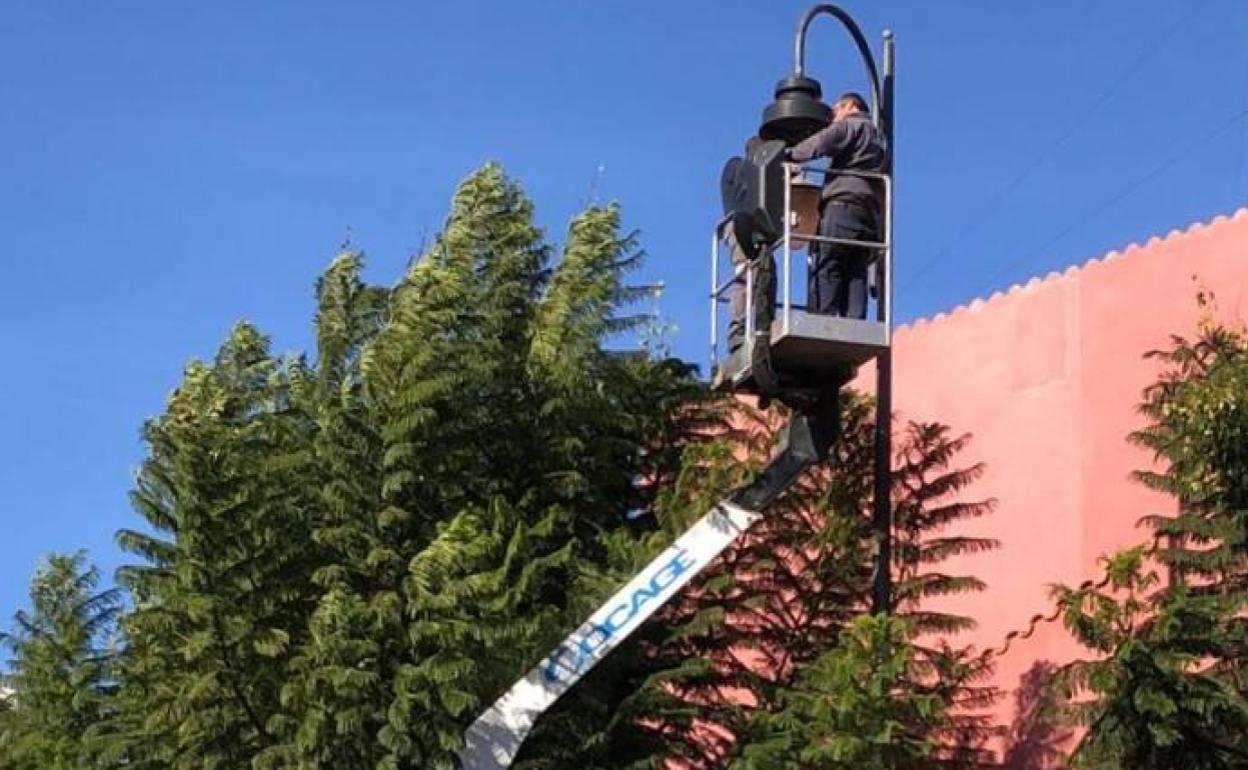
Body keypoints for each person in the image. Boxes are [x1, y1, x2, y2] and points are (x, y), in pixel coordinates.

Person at [787, 91, 885, 320]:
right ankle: (854, 322)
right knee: (856, 272)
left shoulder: (853, 125)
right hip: (868, 215)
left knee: (828, 265)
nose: (833, 117)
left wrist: (788, 154)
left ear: (850, 106)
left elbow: (823, 142)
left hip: (842, 207)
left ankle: (823, 320)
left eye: (836, 111)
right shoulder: (879, 140)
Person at [720, 138, 774, 355]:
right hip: (740, 225)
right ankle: (738, 331)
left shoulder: (754, 175)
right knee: (744, 275)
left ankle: (764, 323)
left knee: (765, 274)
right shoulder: (737, 166)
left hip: (758, 227)